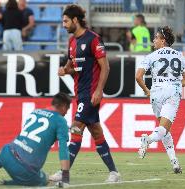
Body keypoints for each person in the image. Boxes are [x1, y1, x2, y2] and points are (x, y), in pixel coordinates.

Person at [51, 4, 121, 183]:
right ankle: (114, 172)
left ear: (75, 20)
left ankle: (64, 174)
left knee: (75, 128)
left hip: (91, 94)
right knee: (96, 133)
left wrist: (99, 90)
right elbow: (72, 66)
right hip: (79, 93)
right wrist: (64, 70)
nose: (64, 25)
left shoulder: (93, 39)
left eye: (66, 21)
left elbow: (105, 66)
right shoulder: (72, 42)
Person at [0, 92, 71, 187]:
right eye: (67, 109)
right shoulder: (60, 120)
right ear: (63, 106)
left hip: (6, 153)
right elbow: (63, 149)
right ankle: (3, 182)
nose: (66, 113)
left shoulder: (35, 111)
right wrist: (65, 176)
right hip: (24, 169)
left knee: (9, 150)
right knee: (43, 180)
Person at [135, 26, 185, 174]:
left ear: (163, 40)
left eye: (156, 38)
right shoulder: (180, 56)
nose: (153, 40)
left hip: (155, 93)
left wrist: (146, 91)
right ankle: (147, 140)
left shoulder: (151, 56)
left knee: (164, 129)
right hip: (171, 92)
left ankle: (175, 163)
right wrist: (175, 83)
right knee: (162, 130)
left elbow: (138, 76)